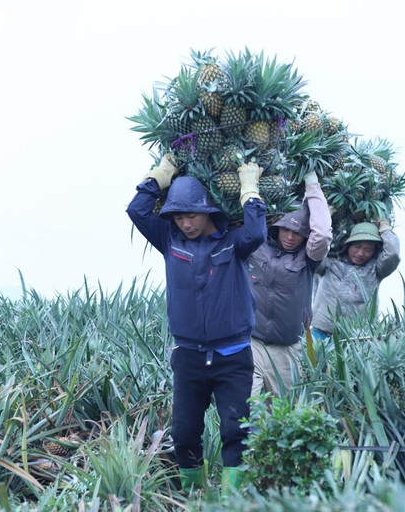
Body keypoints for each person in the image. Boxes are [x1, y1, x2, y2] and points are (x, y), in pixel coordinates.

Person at [126, 153, 267, 493]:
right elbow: (137, 210)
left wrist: (249, 191)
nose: (185, 224)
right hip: (189, 354)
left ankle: (233, 499)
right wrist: (160, 177)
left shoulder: (233, 242)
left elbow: (257, 233)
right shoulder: (169, 240)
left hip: (233, 355)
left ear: (208, 212)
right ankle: (194, 496)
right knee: (185, 432)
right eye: (178, 216)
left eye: (191, 215)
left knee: (236, 429)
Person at [247, 171, 332, 398]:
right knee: (247, 408)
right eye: (286, 229)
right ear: (275, 226)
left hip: (287, 350)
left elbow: (323, 235)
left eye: (298, 232)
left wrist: (312, 185)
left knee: (282, 411)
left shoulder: (309, 258)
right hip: (251, 344)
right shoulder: (255, 245)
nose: (291, 237)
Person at [310, 221, 400, 339]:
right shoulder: (328, 264)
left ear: (374, 252)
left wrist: (385, 227)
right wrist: (323, 220)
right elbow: (314, 248)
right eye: (357, 246)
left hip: (358, 337)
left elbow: (392, 254)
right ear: (348, 245)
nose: (360, 253)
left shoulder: (375, 270)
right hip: (322, 332)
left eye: (368, 249)